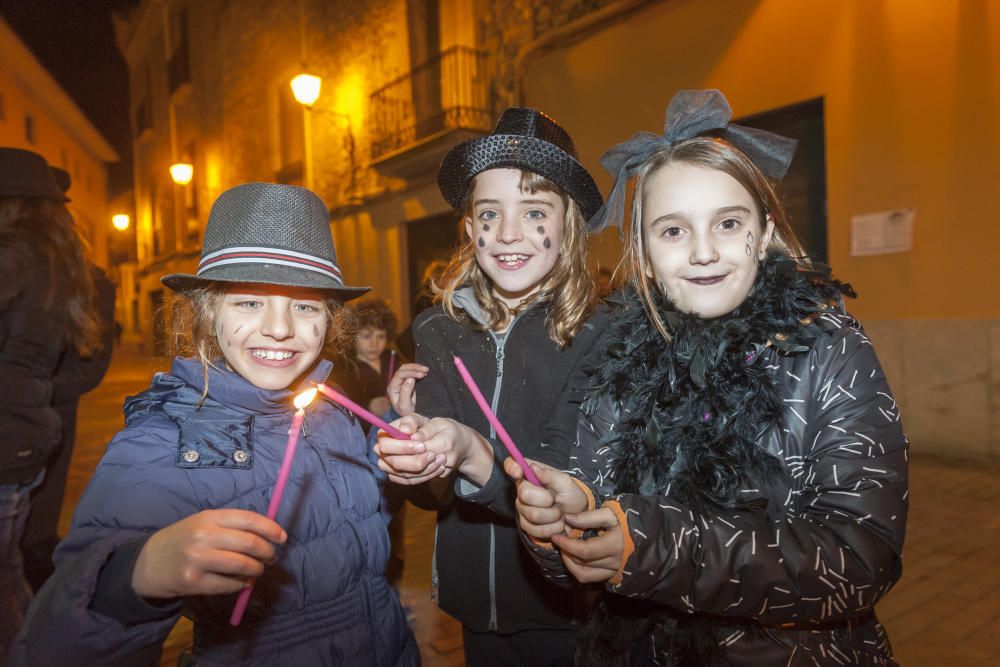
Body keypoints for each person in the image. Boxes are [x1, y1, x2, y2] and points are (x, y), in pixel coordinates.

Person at [508, 90, 909, 665]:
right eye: (672, 231)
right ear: (643, 252)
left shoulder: (829, 351)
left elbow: (862, 558)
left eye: (727, 223)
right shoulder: (618, 363)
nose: (702, 252)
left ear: (765, 231)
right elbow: (586, 549)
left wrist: (664, 549)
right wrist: (560, 520)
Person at [13, 183, 419, 666]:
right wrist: (141, 572)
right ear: (207, 314)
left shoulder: (326, 406)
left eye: (305, 305)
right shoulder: (162, 442)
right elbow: (54, 640)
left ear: (329, 321)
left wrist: (393, 444)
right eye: (249, 302)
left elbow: (346, 511)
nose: (281, 327)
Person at [375, 107, 613, 665]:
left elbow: (570, 488)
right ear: (468, 227)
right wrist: (413, 445)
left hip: (568, 612)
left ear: (568, 224)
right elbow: (431, 496)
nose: (508, 234)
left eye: (534, 212)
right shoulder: (436, 330)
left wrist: (473, 454)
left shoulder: (603, 335)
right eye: (490, 213)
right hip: (472, 609)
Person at [0, 148, 106, 662]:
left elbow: (89, 365)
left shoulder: (22, 258)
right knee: (9, 571)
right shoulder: (51, 261)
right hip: (26, 431)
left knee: (14, 570)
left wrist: (36, 393)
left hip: (21, 431)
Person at [20, 165, 116, 594]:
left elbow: (89, 365)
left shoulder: (86, 278)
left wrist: (32, 395)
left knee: (28, 545)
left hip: (47, 422)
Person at [332, 298, 402, 428]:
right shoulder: (344, 370)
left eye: (380, 336)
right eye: (366, 336)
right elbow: (338, 412)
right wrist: (368, 407)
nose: (374, 344)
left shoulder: (394, 360)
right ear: (352, 337)